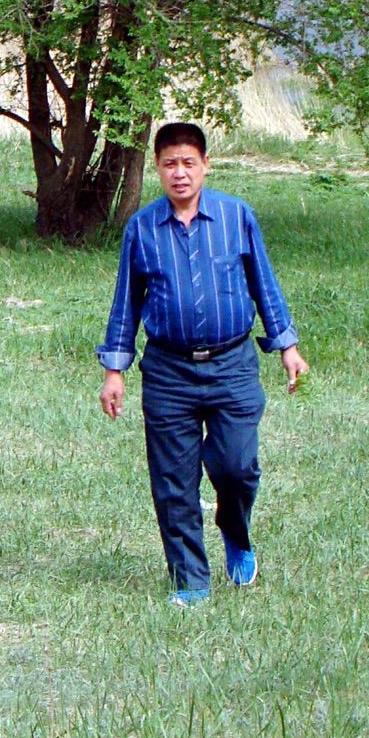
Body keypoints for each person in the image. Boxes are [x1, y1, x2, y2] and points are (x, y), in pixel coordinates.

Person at [97, 121, 309, 605]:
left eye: (188, 163)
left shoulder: (237, 217)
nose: (180, 174)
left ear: (206, 165)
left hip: (233, 364)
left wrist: (287, 346)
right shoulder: (142, 228)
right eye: (169, 164)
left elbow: (264, 284)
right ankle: (191, 581)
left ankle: (235, 531)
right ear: (157, 169)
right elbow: (125, 302)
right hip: (169, 371)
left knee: (236, 466)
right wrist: (115, 371)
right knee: (173, 479)